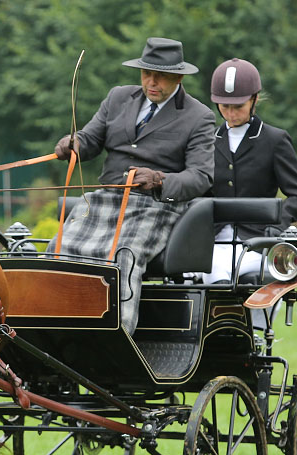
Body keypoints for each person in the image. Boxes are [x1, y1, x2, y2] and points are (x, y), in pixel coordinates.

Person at [52, 37, 215, 334]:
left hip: (155, 206)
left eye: (160, 76)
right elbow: (90, 140)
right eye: (146, 74)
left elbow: (201, 176)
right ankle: (54, 328)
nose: (151, 82)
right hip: (105, 199)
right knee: (58, 248)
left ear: (178, 76)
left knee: (122, 256)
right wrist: (73, 143)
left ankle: (115, 337)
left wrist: (159, 179)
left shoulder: (198, 116)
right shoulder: (117, 98)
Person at [205, 58, 297, 284]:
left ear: (254, 99)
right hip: (213, 241)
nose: (231, 114)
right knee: (212, 273)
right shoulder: (206, 141)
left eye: (238, 107)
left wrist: (276, 225)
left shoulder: (275, 140)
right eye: (225, 107)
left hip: (259, 242)